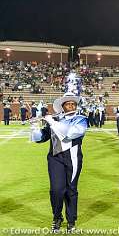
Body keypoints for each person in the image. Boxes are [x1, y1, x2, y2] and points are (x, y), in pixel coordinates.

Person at [30, 92, 88, 233]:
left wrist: (52, 122)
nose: (71, 105)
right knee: (56, 190)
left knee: (71, 190)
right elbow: (40, 138)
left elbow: (70, 134)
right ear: (62, 106)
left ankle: (71, 221)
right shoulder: (56, 119)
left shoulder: (81, 119)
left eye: (73, 103)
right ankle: (57, 217)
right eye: (68, 103)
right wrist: (35, 127)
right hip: (55, 158)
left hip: (73, 158)